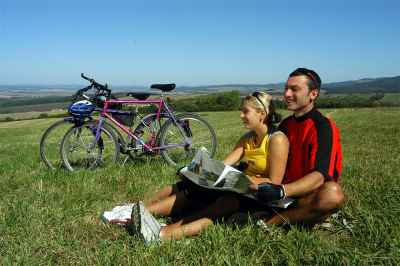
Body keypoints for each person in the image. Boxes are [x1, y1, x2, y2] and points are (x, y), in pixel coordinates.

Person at [129, 91, 289, 242]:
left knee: (226, 203)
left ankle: (165, 233)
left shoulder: (277, 140)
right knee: (191, 186)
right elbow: (223, 166)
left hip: (262, 196)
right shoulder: (247, 138)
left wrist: (244, 180)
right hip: (243, 187)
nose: (241, 115)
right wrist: (200, 170)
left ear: (262, 113)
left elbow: (274, 182)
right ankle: (141, 212)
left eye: (245, 111)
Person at [252, 68, 345, 227]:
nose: (287, 94)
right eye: (286, 88)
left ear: (313, 94)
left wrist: (282, 191)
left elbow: (320, 176)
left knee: (332, 194)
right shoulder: (286, 125)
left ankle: (270, 223)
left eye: (294, 89)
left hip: (303, 195)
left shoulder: (323, 127)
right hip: (280, 192)